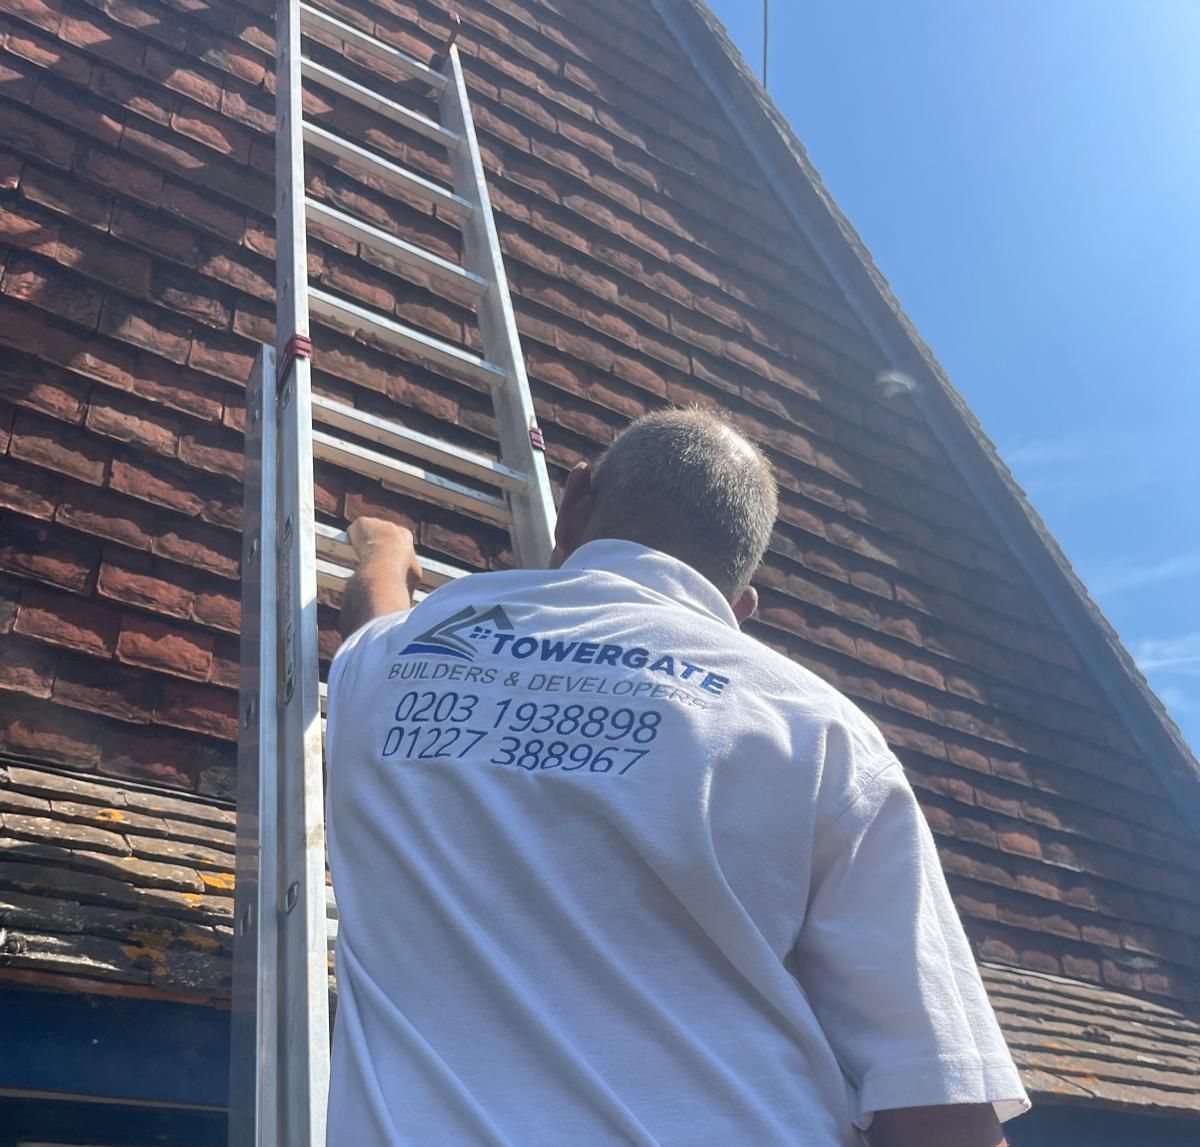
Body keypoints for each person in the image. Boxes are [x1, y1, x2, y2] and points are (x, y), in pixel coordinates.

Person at [325, 408, 1029, 1147]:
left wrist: (385, 545)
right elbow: (940, 1108)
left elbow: (369, 612)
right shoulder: (817, 729)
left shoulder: (394, 664)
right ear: (740, 609)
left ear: (572, 500)